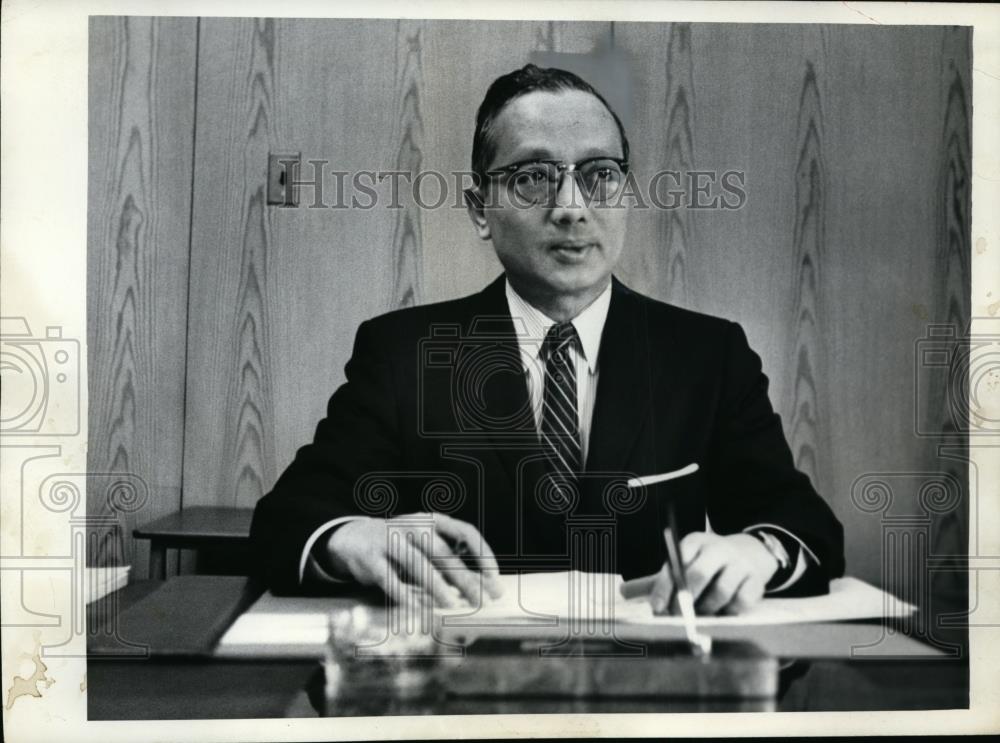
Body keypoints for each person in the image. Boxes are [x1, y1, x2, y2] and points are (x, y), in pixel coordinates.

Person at [249, 64, 845, 615]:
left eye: (599, 176)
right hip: (461, 690)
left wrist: (755, 552)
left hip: (647, 687)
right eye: (534, 177)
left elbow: (805, 526)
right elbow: (288, 519)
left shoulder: (708, 356)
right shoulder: (402, 352)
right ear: (481, 209)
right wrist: (356, 537)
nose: (571, 207)